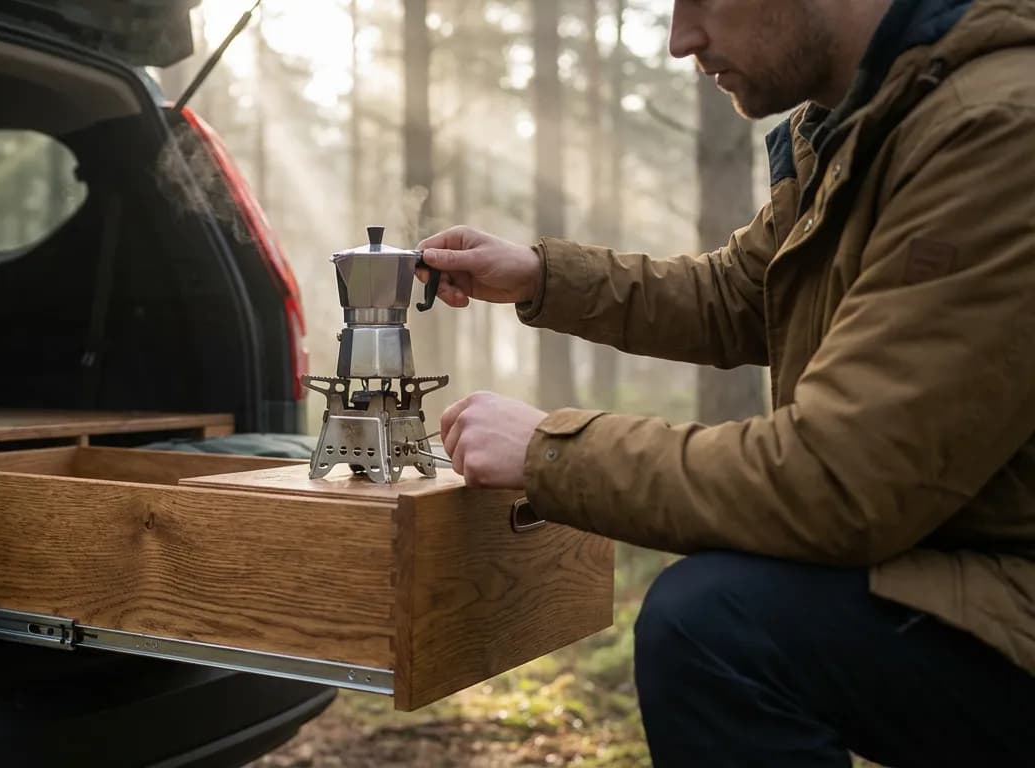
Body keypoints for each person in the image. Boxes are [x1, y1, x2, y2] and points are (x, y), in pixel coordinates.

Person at [416, 0, 1035, 765]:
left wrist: (550, 451)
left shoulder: (993, 129)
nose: (682, 41)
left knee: (713, 626)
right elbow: (740, 293)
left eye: (699, 1)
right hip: (963, 565)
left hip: (1011, 597)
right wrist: (542, 276)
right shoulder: (866, 119)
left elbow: (836, 480)